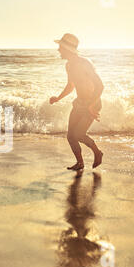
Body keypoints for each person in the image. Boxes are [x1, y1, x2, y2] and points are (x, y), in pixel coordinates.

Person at [49, 34, 104, 170]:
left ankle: (98, 152)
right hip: (79, 103)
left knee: (79, 134)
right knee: (70, 136)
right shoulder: (69, 66)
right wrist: (58, 98)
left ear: (68, 49)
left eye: (60, 47)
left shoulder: (85, 63)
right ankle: (80, 163)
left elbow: (100, 86)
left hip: (93, 102)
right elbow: (71, 85)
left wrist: (91, 105)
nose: (58, 50)